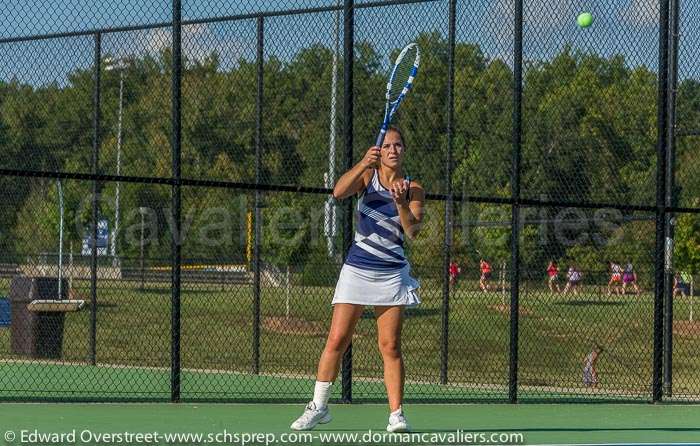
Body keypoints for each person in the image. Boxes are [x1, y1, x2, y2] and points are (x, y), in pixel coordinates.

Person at [290, 126, 425, 433]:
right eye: (387, 145)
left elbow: (413, 232)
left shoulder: (413, 187)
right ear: (380, 149)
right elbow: (338, 192)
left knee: (390, 345)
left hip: (391, 274)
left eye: (398, 145)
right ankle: (318, 407)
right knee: (337, 339)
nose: (392, 150)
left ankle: (396, 415)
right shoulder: (368, 177)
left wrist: (402, 203)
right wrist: (365, 163)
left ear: (404, 151)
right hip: (357, 270)